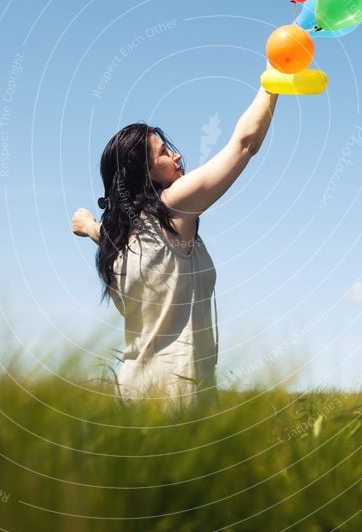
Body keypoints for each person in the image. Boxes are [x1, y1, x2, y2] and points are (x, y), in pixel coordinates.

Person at [72, 85, 278, 408]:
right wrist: (273, 80)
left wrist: (87, 226)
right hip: (179, 400)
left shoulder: (120, 239)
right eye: (164, 153)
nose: (177, 155)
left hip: (129, 397)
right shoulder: (172, 209)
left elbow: (109, 236)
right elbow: (243, 145)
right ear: (144, 173)